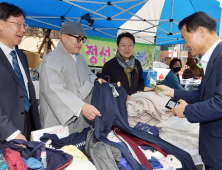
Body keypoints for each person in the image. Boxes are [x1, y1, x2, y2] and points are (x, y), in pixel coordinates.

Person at [154, 12, 222, 170]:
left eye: (185, 38)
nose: (185, 44)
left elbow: (220, 103)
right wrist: (172, 92)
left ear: (200, 32)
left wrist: (187, 110)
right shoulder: (211, 60)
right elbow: (201, 95)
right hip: (212, 150)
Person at [39, 21, 105, 134]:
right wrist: (81, 106)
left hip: (82, 118)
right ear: (64, 37)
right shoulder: (50, 61)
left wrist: (96, 80)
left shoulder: (80, 58)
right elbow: (55, 91)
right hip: (59, 122)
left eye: (83, 39)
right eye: (78, 38)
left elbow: (89, 74)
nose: (81, 43)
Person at [0, 2, 41, 149]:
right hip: (5, 136)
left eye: (25, 26)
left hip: (27, 128)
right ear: (1, 24)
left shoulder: (21, 56)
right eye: (18, 24)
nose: (23, 30)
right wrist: (11, 133)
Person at [101, 32, 144, 99]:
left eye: (130, 45)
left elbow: (141, 81)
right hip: (116, 104)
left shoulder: (137, 63)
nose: (127, 48)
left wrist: (139, 91)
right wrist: (120, 95)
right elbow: (105, 87)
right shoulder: (109, 65)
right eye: (123, 45)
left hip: (134, 101)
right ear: (118, 46)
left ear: (133, 46)